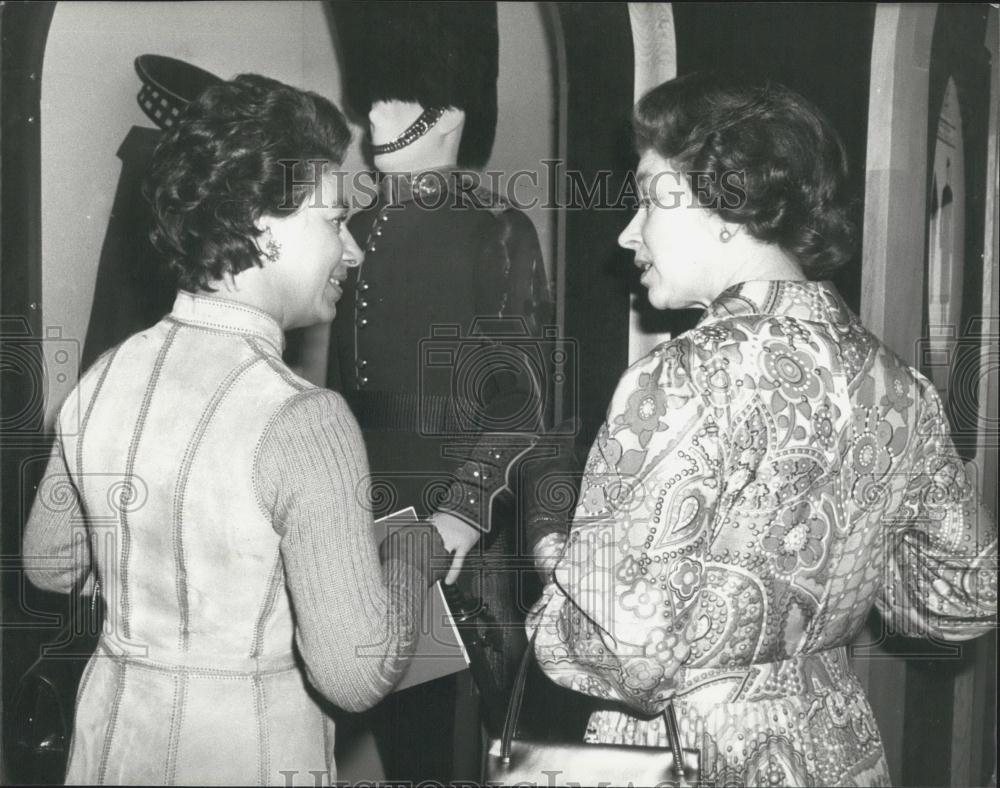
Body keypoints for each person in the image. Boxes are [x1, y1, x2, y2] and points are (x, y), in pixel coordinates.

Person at [525, 72, 998, 787]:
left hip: (685, 754)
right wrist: (843, 577)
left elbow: (624, 655)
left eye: (649, 197)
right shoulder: (900, 386)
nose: (628, 232)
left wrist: (554, 556)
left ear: (725, 201)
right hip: (834, 747)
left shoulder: (681, 377)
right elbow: (965, 595)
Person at [22, 73, 451, 786]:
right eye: (333, 220)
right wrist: (411, 557)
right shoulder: (305, 420)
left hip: (114, 743)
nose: (352, 250)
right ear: (260, 224)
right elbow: (354, 672)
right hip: (246, 753)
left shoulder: (101, 380)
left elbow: (49, 563)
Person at [327, 2, 555, 782]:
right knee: (401, 744)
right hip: (367, 518)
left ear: (449, 114)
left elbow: (522, 401)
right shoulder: (353, 227)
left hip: (458, 527)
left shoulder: (496, 230)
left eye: (394, 100)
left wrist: (464, 508)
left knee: (456, 743)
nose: (372, 116)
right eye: (372, 98)